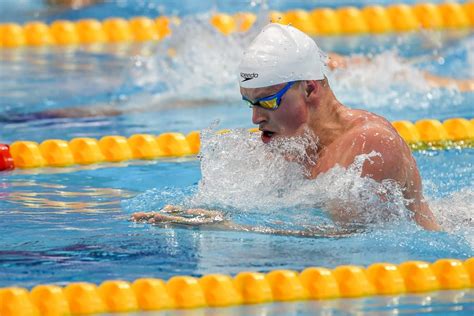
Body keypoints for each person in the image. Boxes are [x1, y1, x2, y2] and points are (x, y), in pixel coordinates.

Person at [132, 23, 440, 231]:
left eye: (267, 102)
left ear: (309, 89)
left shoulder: (369, 144)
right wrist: (194, 212)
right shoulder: (292, 143)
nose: (255, 118)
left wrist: (228, 227)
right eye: (250, 103)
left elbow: (352, 239)